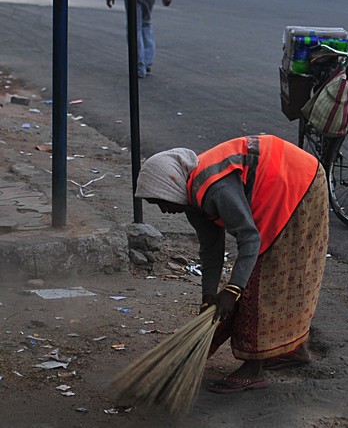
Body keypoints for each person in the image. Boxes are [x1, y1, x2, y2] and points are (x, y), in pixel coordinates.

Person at [134, 135, 329, 393]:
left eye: (159, 201)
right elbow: (211, 250)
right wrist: (208, 297)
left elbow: (249, 237)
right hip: (282, 185)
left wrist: (233, 290)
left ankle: (253, 370)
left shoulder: (215, 188)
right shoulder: (192, 199)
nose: (162, 210)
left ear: (170, 186)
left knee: (261, 283)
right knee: (256, 277)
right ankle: (293, 351)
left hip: (300, 183)